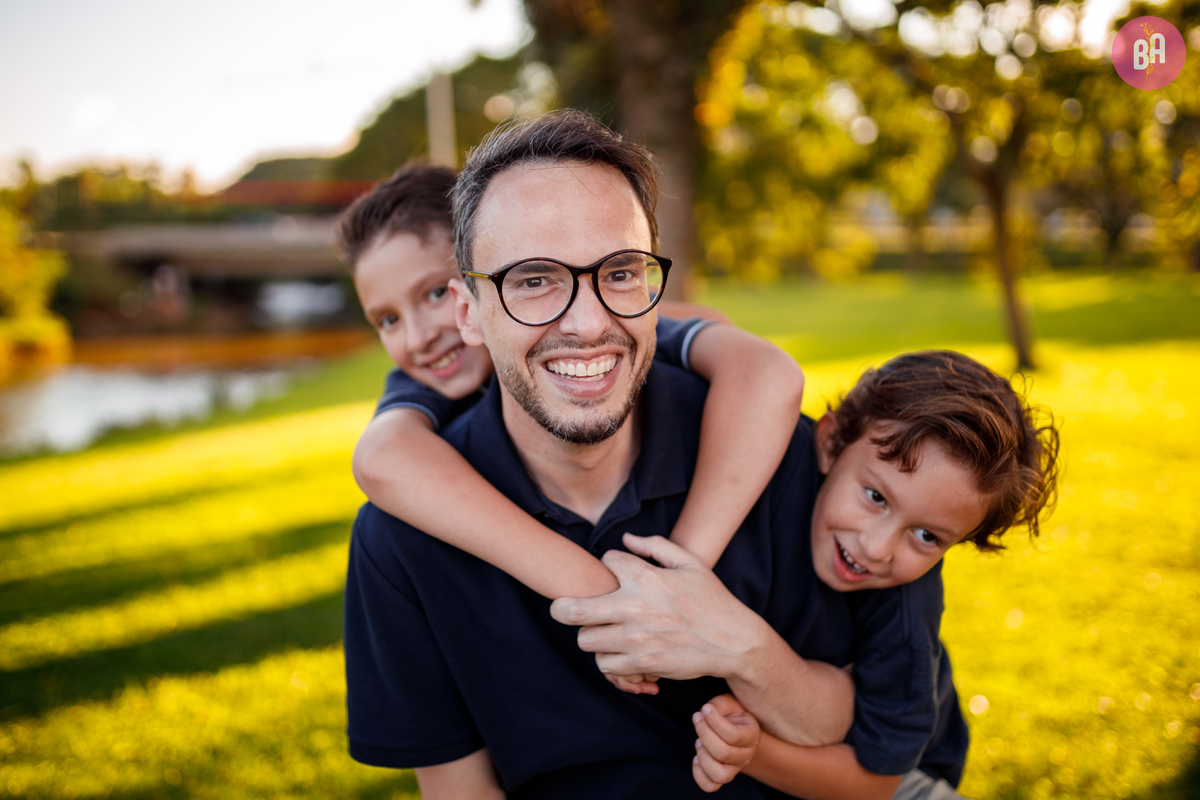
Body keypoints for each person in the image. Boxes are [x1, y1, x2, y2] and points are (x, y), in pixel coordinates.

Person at [343, 110, 861, 799]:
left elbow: (856, 733)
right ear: (471, 310)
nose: (587, 323)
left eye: (619, 272)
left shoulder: (772, 456)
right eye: (533, 280)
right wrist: (616, 602)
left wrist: (698, 610)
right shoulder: (404, 533)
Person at [337, 161, 806, 691]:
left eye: (432, 295)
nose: (419, 337)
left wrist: (676, 581)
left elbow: (754, 361)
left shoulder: (597, 323)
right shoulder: (420, 385)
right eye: (388, 320)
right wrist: (608, 598)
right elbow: (380, 458)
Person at [555, 350, 1060, 798]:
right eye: (875, 497)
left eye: (928, 537)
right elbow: (681, 328)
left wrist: (756, 752)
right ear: (830, 440)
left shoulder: (908, 600)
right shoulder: (763, 449)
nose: (878, 548)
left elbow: (875, 780)